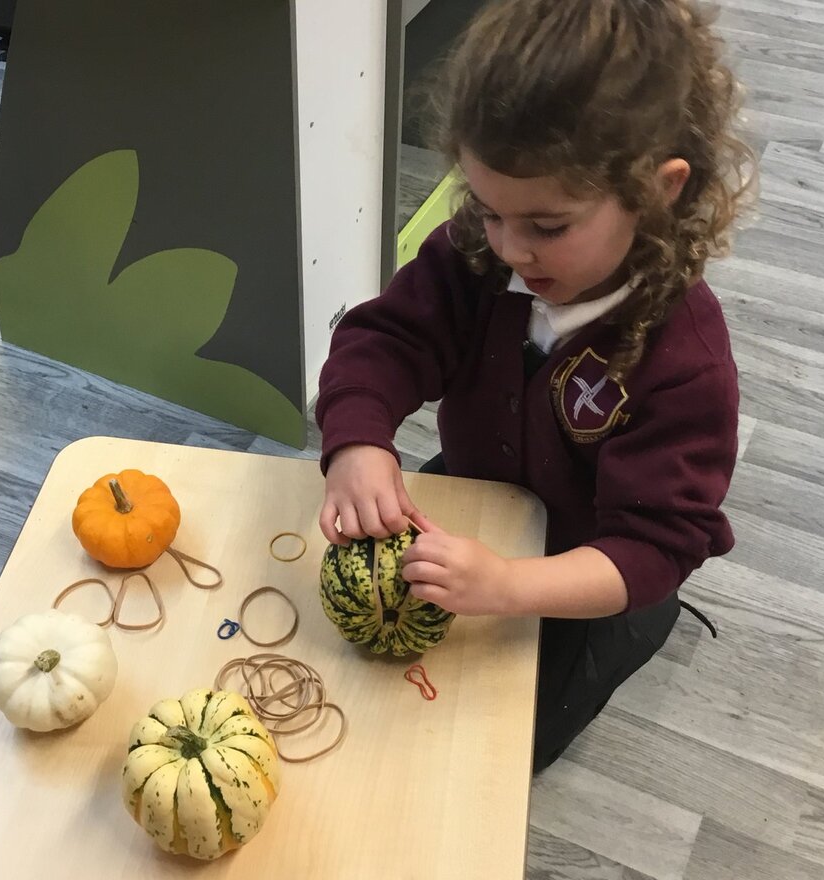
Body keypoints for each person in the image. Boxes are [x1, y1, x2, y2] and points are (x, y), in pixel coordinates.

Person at [314, 0, 755, 772]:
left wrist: (509, 585)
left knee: (497, 754)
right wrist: (357, 439)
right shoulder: (476, 257)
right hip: (484, 499)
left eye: (548, 227)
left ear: (659, 191)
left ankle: (649, 627)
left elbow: (656, 542)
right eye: (487, 211)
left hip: (594, 566)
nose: (512, 248)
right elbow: (386, 339)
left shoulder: (684, 361)